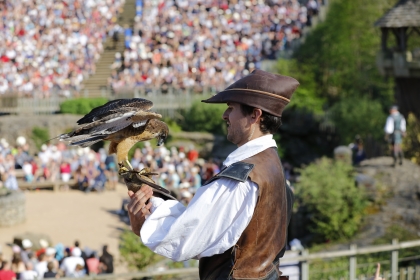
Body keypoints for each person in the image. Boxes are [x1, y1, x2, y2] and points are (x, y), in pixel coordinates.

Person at [127, 69, 298, 279]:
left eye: (231, 108)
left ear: (255, 115)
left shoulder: (241, 178)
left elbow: (187, 239)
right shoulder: (273, 166)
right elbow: (216, 234)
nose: (225, 115)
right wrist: (156, 204)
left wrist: (145, 224)